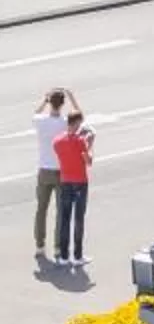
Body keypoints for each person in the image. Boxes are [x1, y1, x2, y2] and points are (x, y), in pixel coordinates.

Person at [31, 86, 68, 262]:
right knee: (61, 211)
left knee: (41, 209)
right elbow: (80, 117)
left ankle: (40, 245)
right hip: (61, 170)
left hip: (44, 170)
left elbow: (35, 113)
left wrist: (44, 101)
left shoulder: (41, 121)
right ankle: (58, 247)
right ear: (62, 104)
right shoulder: (65, 122)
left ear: (50, 103)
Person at [52, 103, 91, 267]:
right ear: (76, 123)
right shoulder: (80, 141)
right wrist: (89, 143)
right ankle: (77, 255)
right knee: (78, 219)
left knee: (65, 219)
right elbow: (88, 161)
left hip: (65, 181)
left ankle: (63, 256)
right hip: (80, 182)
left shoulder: (57, 141)